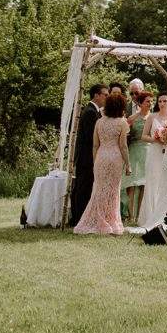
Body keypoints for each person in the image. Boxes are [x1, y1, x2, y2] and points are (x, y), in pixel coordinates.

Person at [73, 93, 131, 235]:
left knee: (98, 189)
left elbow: (95, 145)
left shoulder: (99, 122)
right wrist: (128, 164)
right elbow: (123, 146)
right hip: (115, 158)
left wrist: (95, 162)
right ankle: (111, 220)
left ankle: (98, 219)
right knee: (113, 190)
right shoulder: (122, 123)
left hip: (101, 157)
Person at [66, 83, 106, 227]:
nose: (106, 98)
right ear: (96, 95)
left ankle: (79, 218)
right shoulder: (90, 112)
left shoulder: (94, 111)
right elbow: (91, 137)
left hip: (87, 157)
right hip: (86, 157)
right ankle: (78, 219)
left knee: (83, 188)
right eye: (105, 95)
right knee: (83, 189)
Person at [134, 91, 167, 230]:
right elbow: (144, 136)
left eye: (164, 101)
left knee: (165, 183)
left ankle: (164, 215)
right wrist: (155, 139)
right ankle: (150, 216)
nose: (161, 104)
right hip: (154, 153)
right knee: (152, 183)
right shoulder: (152, 116)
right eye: (159, 101)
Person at [122, 82, 153, 223]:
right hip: (135, 151)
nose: (150, 104)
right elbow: (123, 133)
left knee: (144, 185)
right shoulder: (132, 118)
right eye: (147, 102)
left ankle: (140, 214)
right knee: (132, 184)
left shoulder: (153, 118)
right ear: (140, 103)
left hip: (148, 152)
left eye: (151, 102)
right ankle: (130, 215)